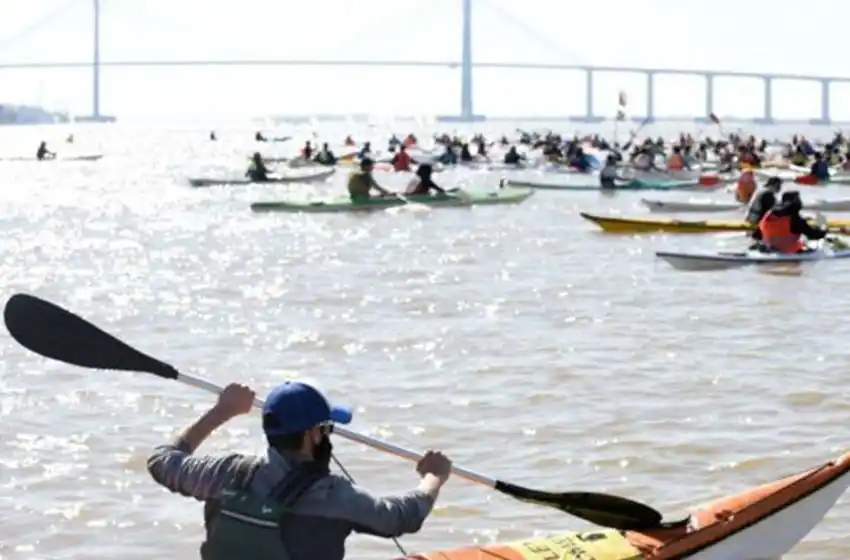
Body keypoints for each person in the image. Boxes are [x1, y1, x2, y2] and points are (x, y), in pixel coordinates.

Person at [147, 381, 451, 560]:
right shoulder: (333, 495)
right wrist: (433, 477)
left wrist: (221, 411)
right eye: (326, 428)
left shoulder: (226, 473)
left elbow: (163, 461)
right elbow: (401, 517)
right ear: (311, 434)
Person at [753, 191, 827, 253]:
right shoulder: (795, 219)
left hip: (768, 250)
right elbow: (813, 235)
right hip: (790, 253)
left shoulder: (768, 215)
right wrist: (824, 229)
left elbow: (756, 235)